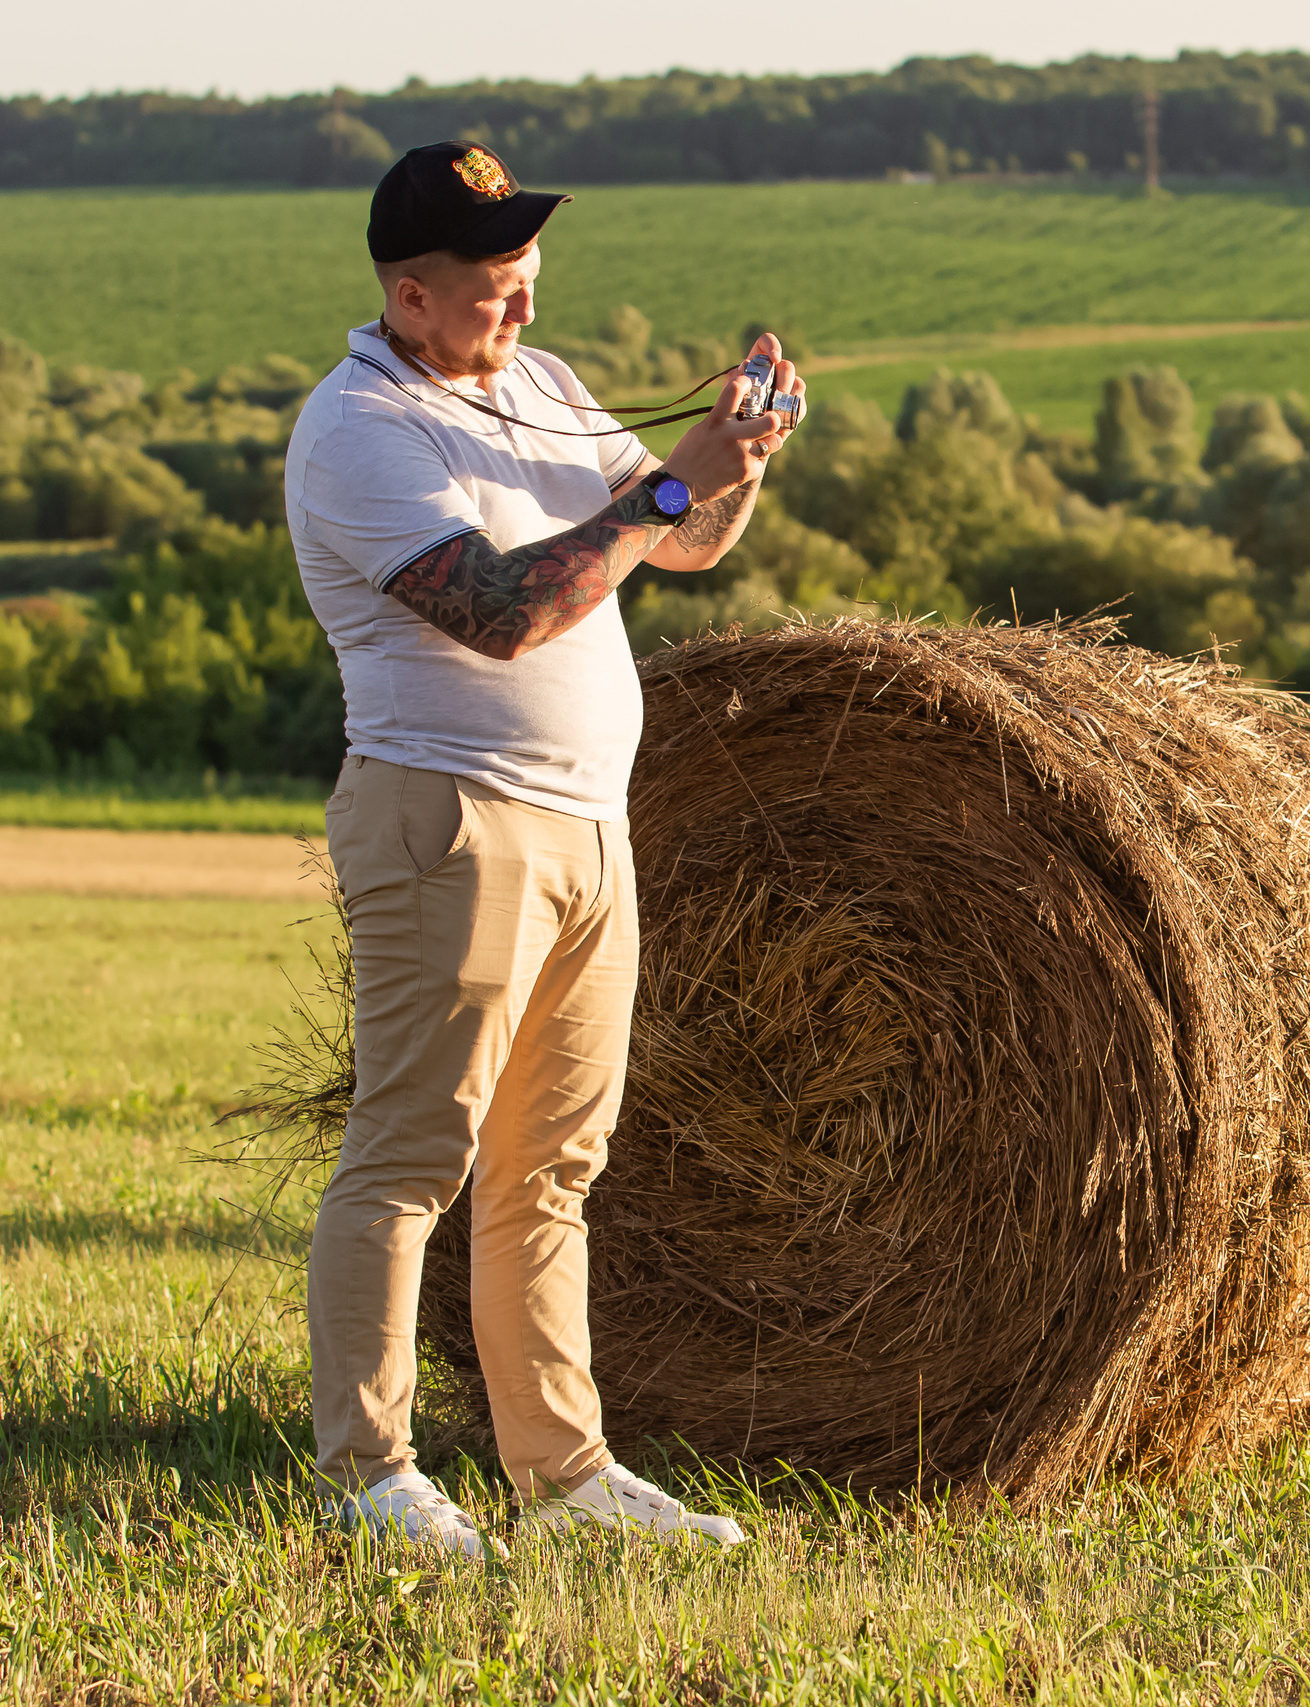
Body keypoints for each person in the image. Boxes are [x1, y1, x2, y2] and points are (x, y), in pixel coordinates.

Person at [283, 140, 805, 1558]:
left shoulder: (548, 387)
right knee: (412, 1153)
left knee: (553, 1169)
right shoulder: (358, 430)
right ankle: (368, 1474)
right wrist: (662, 494)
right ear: (409, 293)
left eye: (529, 276)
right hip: (447, 814)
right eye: (495, 286)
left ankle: (566, 1479)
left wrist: (734, 463)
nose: (523, 306)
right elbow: (504, 610)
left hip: (588, 825)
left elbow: (682, 549)